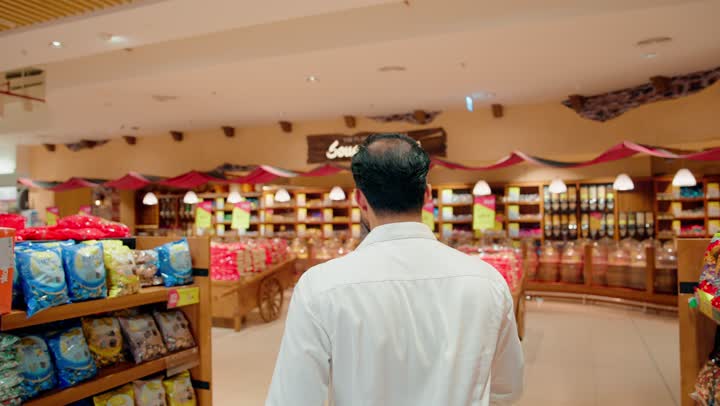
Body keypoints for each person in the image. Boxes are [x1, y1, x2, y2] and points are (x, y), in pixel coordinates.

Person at [266, 133, 524, 406]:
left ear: (360, 201)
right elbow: (507, 389)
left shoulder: (319, 287)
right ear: (426, 195)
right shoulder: (487, 282)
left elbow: (293, 398)